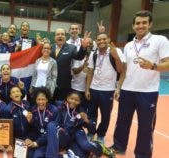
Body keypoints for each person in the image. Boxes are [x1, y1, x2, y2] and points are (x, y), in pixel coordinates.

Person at [111, 10, 169, 158]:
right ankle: (118, 146)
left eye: (144, 22)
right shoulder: (129, 45)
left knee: (145, 126)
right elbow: (125, 69)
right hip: (127, 89)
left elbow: (168, 63)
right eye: (138, 23)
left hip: (147, 92)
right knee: (122, 121)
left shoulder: (160, 40)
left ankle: (142, 154)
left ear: (150, 24)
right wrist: (119, 86)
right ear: (133, 25)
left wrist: (153, 66)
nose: (140, 26)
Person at [45, 92, 114, 158]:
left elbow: (92, 128)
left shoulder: (81, 111)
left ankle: (100, 147)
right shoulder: (60, 105)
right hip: (65, 134)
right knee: (81, 155)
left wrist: (86, 120)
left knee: (85, 146)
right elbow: (48, 102)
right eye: (71, 98)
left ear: (80, 102)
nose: (73, 101)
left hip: (77, 133)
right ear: (67, 98)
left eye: (76, 100)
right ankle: (69, 150)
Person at [85, 33, 124, 143]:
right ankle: (91, 132)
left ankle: (101, 135)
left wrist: (116, 57)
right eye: (99, 40)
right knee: (91, 114)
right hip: (94, 89)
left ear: (108, 39)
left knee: (106, 115)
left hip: (108, 90)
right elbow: (90, 72)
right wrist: (87, 89)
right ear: (96, 42)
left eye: (104, 39)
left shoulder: (116, 51)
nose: (101, 41)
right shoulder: (94, 53)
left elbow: (121, 70)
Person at [51, 28, 91, 101]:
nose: (60, 36)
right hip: (50, 84)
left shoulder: (71, 48)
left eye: (62, 34)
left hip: (64, 84)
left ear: (65, 37)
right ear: (54, 37)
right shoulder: (51, 47)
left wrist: (83, 47)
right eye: (58, 34)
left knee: (62, 106)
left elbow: (79, 57)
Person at [25, 87, 59, 158]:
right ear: (35, 100)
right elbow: (33, 129)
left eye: (43, 99)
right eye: (38, 99)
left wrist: (36, 143)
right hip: (38, 138)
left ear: (47, 99)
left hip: (48, 140)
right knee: (28, 155)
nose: (41, 102)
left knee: (37, 156)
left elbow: (51, 133)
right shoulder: (33, 110)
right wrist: (28, 138)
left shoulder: (54, 110)